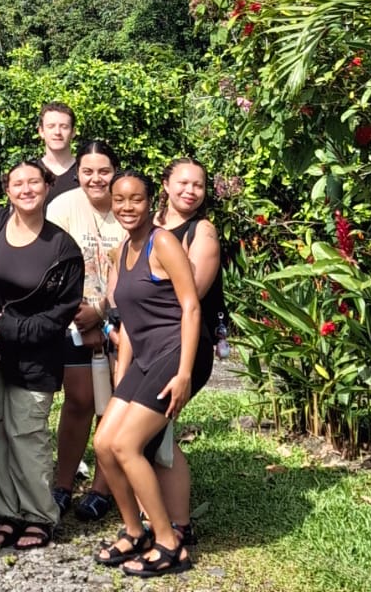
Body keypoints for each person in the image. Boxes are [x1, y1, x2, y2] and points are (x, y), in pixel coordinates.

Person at [92, 170, 210, 578]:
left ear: (149, 201)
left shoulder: (164, 242)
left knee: (127, 445)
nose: (127, 207)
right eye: (119, 199)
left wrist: (184, 373)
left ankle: (168, 541)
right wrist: (120, 380)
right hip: (144, 356)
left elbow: (191, 306)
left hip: (176, 353)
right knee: (104, 443)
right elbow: (128, 323)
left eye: (136, 199)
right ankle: (133, 530)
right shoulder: (123, 248)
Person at [0, 161, 83, 553]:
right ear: (7, 189)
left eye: (34, 182)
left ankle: (39, 516)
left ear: (48, 187)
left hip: (35, 356)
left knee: (26, 435)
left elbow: (61, 313)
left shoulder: (63, 248)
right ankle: (7, 512)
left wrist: (12, 330)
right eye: (18, 183)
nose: (26, 189)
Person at [46, 140, 122, 520]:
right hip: (73, 319)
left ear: (115, 172)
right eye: (88, 171)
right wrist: (82, 315)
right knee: (79, 401)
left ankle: (102, 489)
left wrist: (103, 314)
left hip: (121, 323)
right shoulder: (62, 207)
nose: (96, 179)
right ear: (78, 173)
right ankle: (62, 484)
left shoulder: (127, 203)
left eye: (104, 171)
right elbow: (52, 267)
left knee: (113, 408)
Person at [154, 157, 223, 548]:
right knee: (153, 434)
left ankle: (178, 524)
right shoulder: (151, 224)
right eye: (182, 182)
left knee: (155, 432)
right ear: (166, 183)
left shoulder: (203, 232)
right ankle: (160, 515)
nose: (190, 191)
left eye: (198, 185)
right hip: (147, 344)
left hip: (184, 347)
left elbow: (190, 297)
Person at [38, 102, 79, 200]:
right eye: (51, 126)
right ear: (41, 132)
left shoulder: (86, 172)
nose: (57, 132)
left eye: (64, 127)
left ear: (73, 132)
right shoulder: (29, 172)